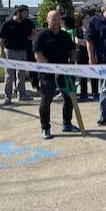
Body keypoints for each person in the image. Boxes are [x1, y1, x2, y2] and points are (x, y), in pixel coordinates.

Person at [33, 10, 77, 139]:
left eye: (58, 19)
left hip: (65, 73)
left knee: (69, 99)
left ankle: (67, 124)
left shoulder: (65, 35)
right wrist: (53, 68)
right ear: (47, 20)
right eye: (53, 19)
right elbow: (38, 55)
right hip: (48, 74)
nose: (57, 22)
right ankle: (45, 128)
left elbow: (72, 50)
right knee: (46, 101)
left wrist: (72, 63)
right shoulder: (41, 36)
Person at [0, 5, 34, 105]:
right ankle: (7, 97)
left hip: (22, 51)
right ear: (19, 12)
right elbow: (1, 39)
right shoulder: (8, 24)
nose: (26, 16)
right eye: (25, 13)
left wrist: (33, 34)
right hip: (10, 51)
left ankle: (22, 95)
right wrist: (1, 51)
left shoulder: (25, 24)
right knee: (9, 76)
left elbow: (29, 38)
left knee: (21, 75)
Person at [75, 13, 98, 101]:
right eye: (87, 18)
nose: (89, 20)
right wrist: (87, 42)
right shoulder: (78, 29)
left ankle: (95, 93)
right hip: (81, 54)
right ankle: (83, 93)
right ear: (82, 20)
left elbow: (94, 41)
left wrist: (86, 42)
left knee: (93, 74)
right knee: (83, 75)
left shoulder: (93, 29)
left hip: (92, 53)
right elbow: (77, 41)